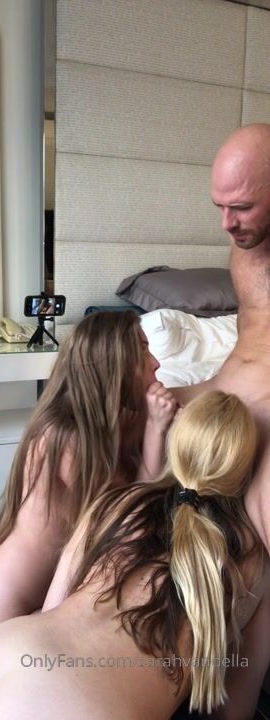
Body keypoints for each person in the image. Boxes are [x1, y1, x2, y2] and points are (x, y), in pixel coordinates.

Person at [0, 391, 269, 720]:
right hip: (93, 704)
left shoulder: (118, 502)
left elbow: (55, 602)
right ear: (244, 473)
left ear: (178, 444)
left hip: (4, 654)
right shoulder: (252, 559)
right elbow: (235, 707)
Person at [0, 310, 178, 658]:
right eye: (144, 350)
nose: (157, 363)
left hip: (21, 603)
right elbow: (127, 522)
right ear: (115, 362)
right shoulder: (66, 435)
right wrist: (156, 431)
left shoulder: (104, 423)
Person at [173, 123, 270, 557]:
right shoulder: (244, 241)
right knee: (108, 407)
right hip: (224, 388)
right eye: (220, 206)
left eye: (242, 208)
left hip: (264, 408)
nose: (227, 224)